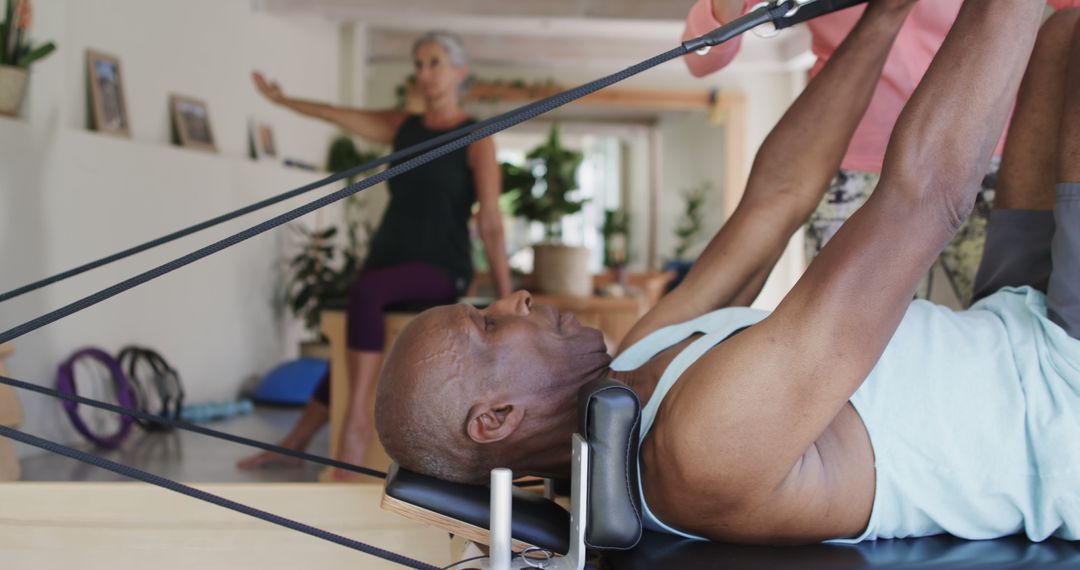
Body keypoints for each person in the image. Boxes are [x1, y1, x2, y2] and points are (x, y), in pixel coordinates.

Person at [375, 0, 1080, 545]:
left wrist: (884, 16)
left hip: (1012, 323)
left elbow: (776, 199)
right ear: (496, 417)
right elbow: (923, 201)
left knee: (1057, 41)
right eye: (490, 322)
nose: (517, 296)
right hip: (1059, 403)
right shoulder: (698, 449)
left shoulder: (632, 372)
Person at [238, 31, 513, 475]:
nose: (424, 73)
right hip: (388, 256)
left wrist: (505, 300)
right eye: (419, 64)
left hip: (441, 266)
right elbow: (337, 115)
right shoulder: (402, 127)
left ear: (460, 72)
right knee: (356, 331)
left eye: (435, 62)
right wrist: (283, 101)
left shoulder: (477, 138)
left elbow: (492, 223)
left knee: (365, 296)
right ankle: (296, 440)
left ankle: (354, 430)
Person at [683, 0, 1078, 302]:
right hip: (851, 166)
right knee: (844, 343)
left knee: (1020, 310)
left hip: (985, 153)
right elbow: (702, 59)